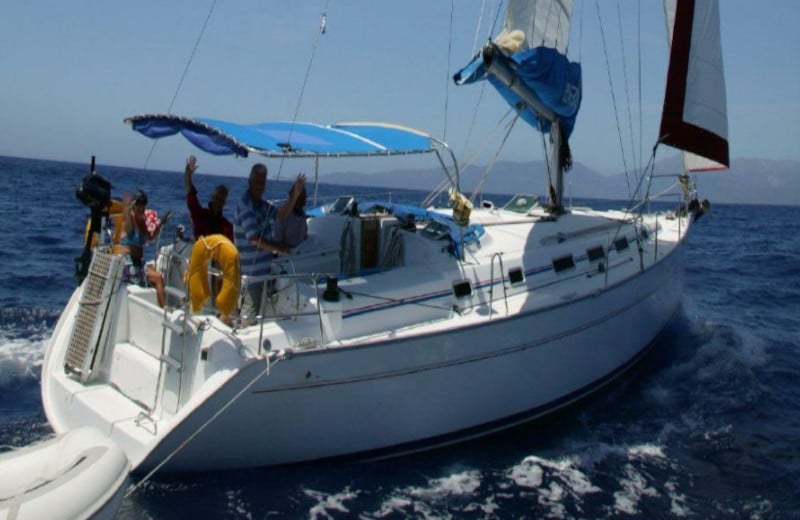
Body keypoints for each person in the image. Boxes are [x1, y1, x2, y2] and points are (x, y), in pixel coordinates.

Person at [234, 163, 306, 319]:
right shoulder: (246, 205)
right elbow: (253, 238)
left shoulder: (261, 205)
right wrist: (279, 249)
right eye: (257, 182)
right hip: (251, 276)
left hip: (263, 273)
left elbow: (281, 214)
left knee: (256, 314)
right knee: (248, 318)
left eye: (263, 182)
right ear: (249, 182)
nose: (260, 186)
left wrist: (295, 195)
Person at [116, 190, 172, 308]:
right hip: (129, 264)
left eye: (143, 205)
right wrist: (129, 205)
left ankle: (165, 311)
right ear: (134, 205)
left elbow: (149, 238)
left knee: (158, 277)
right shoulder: (129, 220)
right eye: (139, 205)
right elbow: (125, 213)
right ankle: (163, 309)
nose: (142, 208)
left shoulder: (142, 221)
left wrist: (161, 224)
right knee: (154, 279)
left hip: (140, 264)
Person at [183, 155, 233, 242]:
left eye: (221, 200)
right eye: (217, 198)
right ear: (212, 198)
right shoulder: (200, 215)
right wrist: (188, 175)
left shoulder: (227, 226)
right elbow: (191, 195)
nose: (218, 202)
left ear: (224, 203)